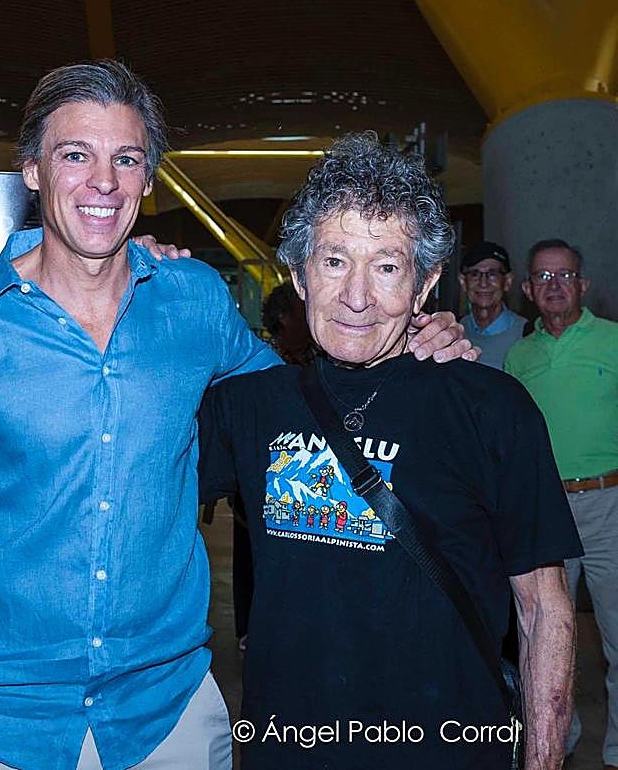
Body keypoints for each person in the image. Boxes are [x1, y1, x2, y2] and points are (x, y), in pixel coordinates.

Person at [0, 61, 475, 770]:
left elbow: (301, 402)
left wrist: (407, 340)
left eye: (126, 159)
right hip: (3, 719)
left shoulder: (193, 300)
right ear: (31, 170)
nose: (103, 182)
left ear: (148, 179)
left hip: (166, 714)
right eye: (75, 155)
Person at [198, 133, 581, 770]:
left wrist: (541, 761)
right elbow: (118, 463)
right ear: (298, 273)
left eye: (386, 266)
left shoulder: (492, 407)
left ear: (425, 282)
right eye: (334, 261)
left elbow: (543, 604)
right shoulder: (249, 406)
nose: (356, 295)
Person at [505, 238, 618, 770]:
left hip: (609, 505)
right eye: (543, 277)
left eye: (564, 275)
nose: (554, 286)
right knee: (551, 637)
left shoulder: (614, 342)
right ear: (528, 289)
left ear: (583, 284)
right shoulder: (518, 357)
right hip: (546, 510)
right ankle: (560, 741)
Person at [458, 240, 526, 369]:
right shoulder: (454, 334)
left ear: (507, 282)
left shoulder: (526, 334)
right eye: (475, 274)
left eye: (492, 274)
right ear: (463, 282)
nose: (483, 283)